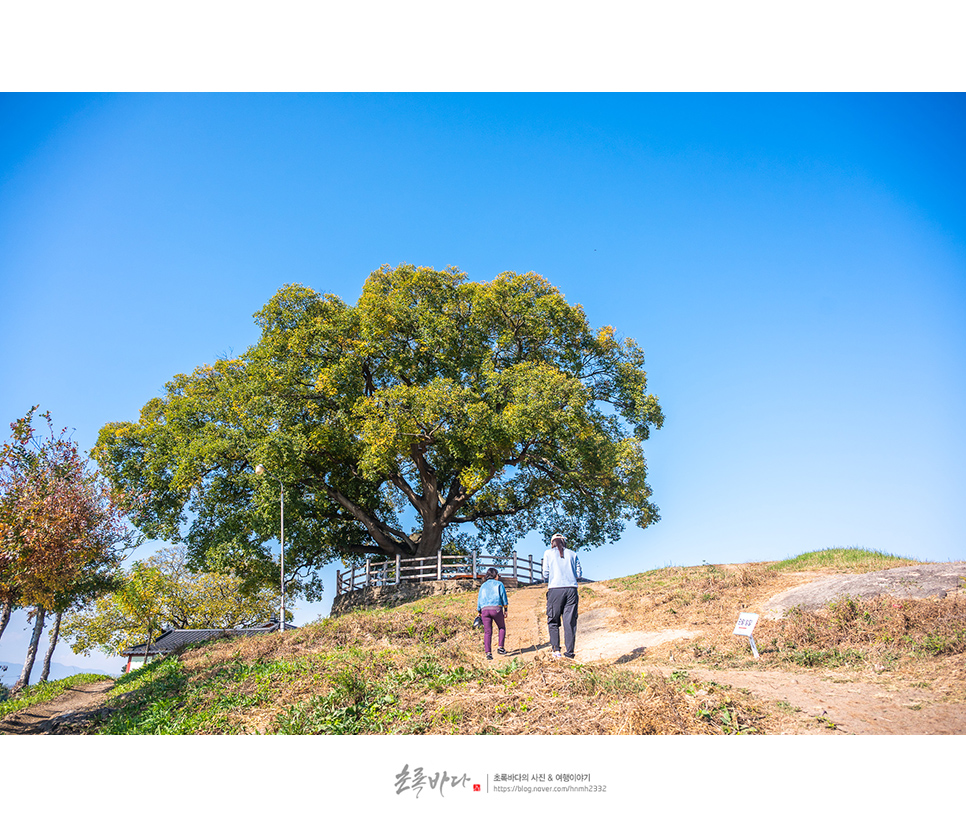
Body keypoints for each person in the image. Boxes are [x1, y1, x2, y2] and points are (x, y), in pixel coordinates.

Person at [542, 533, 581, 659]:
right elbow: (579, 574)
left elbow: (545, 574)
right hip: (571, 589)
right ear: (564, 542)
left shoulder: (548, 553)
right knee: (569, 622)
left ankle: (556, 650)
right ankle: (570, 653)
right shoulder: (573, 554)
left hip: (555, 589)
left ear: (552, 542)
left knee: (553, 620)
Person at [477, 567, 508, 660]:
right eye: (498, 575)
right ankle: (500, 647)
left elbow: (479, 599)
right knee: (501, 627)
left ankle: (488, 653)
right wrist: (506, 609)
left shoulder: (483, 586)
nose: (498, 576)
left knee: (487, 632)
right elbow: (504, 598)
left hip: (484, 610)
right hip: (496, 609)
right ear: (495, 575)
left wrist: (479, 611)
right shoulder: (499, 584)